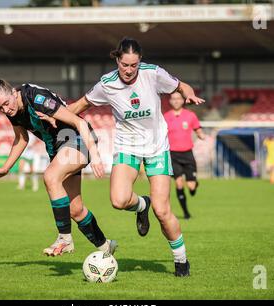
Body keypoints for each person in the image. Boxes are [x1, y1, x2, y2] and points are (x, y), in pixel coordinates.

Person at [64, 37, 205, 277]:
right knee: (118, 200)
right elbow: (81, 105)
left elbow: (182, 86)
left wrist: (189, 93)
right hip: (127, 146)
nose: (129, 70)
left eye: (134, 65)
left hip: (158, 146)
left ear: (140, 62)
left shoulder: (153, 74)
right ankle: (142, 204)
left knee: (162, 211)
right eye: (124, 65)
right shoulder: (106, 84)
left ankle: (181, 261)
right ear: (117, 60)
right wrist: (55, 116)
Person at [0, 78, 117, 256]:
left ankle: (64, 239)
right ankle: (107, 248)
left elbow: (79, 122)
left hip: (77, 139)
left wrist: (95, 156)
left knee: (51, 176)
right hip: (60, 149)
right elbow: (21, 139)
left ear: (13, 92)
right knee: (76, 210)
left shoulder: (36, 98)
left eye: (6, 103)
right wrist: (6, 168)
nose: (6, 110)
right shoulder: (12, 109)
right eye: (0, 108)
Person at [164, 92, 205, 219]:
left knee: (191, 186)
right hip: (173, 154)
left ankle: (194, 186)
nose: (176, 101)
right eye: (173, 99)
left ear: (183, 101)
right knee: (178, 183)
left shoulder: (190, 115)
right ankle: (186, 213)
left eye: (178, 98)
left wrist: (201, 135)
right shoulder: (165, 116)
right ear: (170, 101)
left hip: (187, 154)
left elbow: (198, 129)